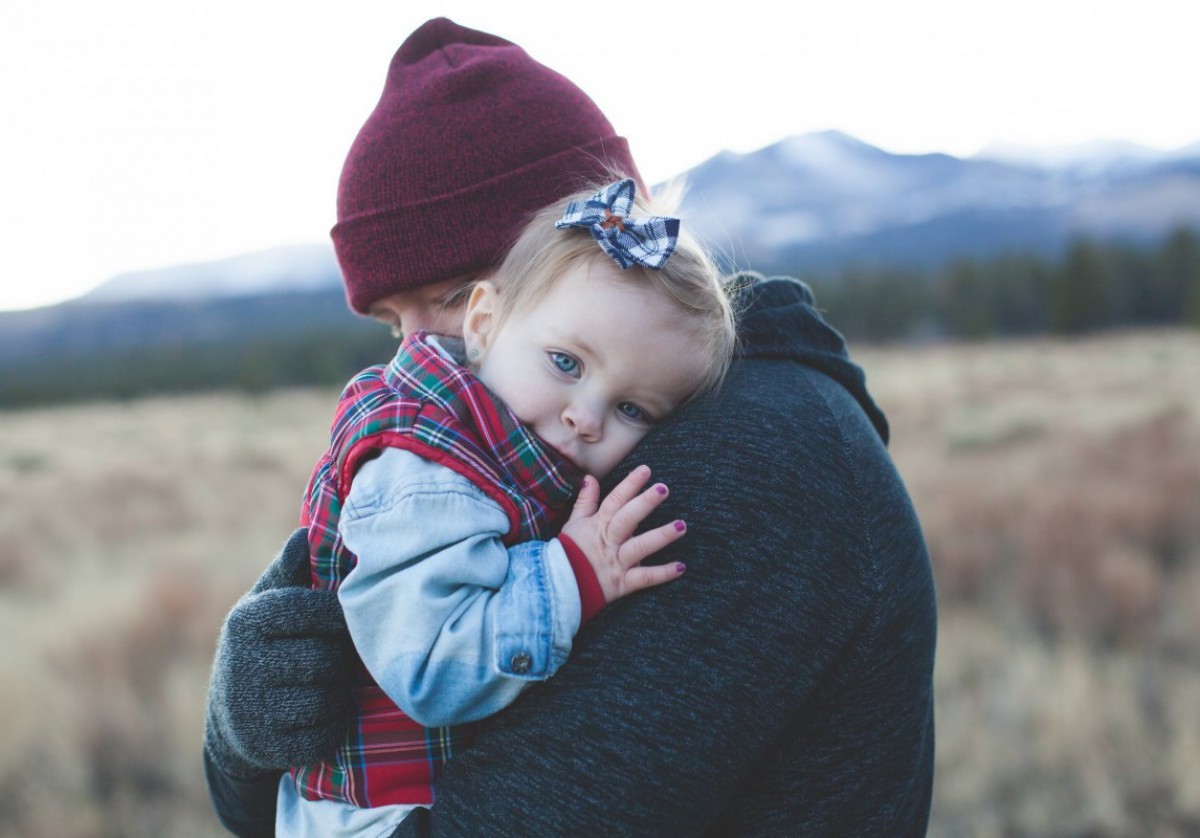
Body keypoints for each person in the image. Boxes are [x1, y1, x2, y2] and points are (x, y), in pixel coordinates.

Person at [204, 17, 937, 838]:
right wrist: (244, 729)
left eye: (448, 298)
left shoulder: (751, 460)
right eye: (389, 323)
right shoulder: (510, 447)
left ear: (588, 244)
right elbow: (267, 802)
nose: (416, 357)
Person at [280, 176, 736, 836]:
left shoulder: (511, 442)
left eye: (632, 409)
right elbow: (431, 667)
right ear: (485, 324)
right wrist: (572, 575)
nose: (586, 418)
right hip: (377, 818)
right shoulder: (425, 471)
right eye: (565, 362)